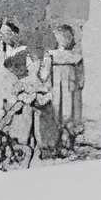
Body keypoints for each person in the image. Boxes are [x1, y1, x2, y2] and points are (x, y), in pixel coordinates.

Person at [41, 24, 84, 156]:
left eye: (68, 37)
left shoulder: (75, 56)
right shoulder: (51, 55)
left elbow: (81, 76)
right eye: (63, 37)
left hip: (71, 90)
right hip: (56, 88)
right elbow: (44, 74)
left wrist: (78, 86)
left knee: (70, 114)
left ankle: (69, 143)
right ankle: (57, 145)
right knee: (56, 114)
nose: (66, 39)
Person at [0, 20, 28, 139]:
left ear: (15, 33)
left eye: (7, 33)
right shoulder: (0, 49)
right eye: (1, 34)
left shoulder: (23, 50)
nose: (4, 36)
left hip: (14, 86)